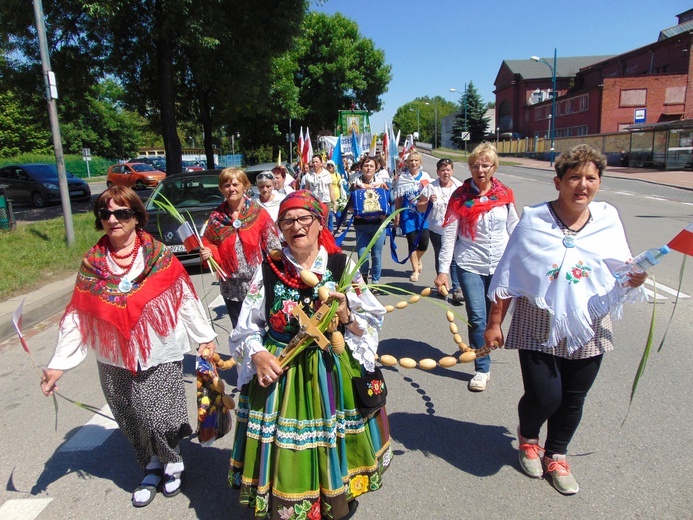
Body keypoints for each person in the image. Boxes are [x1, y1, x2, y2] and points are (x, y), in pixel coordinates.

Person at [484, 144, 647, 495]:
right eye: (574, 177)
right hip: (538, 323)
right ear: (558, 182)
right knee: (545, 396)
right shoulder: (534, 220)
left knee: (574, 397)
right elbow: (510, 273)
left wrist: (636, 278)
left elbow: (621, 268)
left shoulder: (607, 219)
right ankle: (529, 437)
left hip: (591, 323)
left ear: (599, 182)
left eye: (591, 178)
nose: (583, 185)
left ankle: (556, 454)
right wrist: (496, 322)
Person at [40, 186, 218, 508]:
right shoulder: (92, 263)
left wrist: (203, 337)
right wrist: (58, 365)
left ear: (136, 217)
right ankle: (151, 465)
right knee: (128, 414)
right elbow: (79, 316)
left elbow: (185, 298)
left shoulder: (159, 256)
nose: (113, 219)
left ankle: (172, 459)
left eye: (121, 213)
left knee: (159, 415)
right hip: (114, 356)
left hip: (158, 349)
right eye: (105, 213)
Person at [228, 190, 391, 519]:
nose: (296, 226)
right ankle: (290, 503)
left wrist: (346, 316)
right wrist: (257, 355)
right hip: (281, 373)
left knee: (332, 441)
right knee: (288, 448)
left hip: (331, 369)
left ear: (320, 224)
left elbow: (372, 319)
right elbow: (246, 326)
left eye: (304, 218)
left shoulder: (341, 266)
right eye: (287, 220)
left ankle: (336, 499)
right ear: (280, 228)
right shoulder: (269, 270)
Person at [435, 143, 519, 392]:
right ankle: (482, 368)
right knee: (477, 317)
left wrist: (526, 260)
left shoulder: (504, 194)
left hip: (501, 265)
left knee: (496, 319)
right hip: (470, 263)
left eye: (485, 165)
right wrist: (442, 270)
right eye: (475, 165)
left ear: (494, 167)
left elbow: (515, 229)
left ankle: (482, 347)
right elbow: (449, 235)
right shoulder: (460, 197)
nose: (480, 170)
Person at [200, 168, 281, 328]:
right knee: (239, 330)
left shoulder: (258, 212)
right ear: (221, 189)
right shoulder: (216, 218)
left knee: (263, 327)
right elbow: (209, 242)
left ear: (245, 186)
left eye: (235, 184)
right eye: (227, 185)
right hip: (231, 286)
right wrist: (208, 252)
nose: (231, 189)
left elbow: (273, 244)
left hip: (257, 282)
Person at [418, 157, 463, 302]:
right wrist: (428, 202)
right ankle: (441, 285)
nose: (446, 173)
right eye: (443, 170)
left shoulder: (459, 186)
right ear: (438, 172)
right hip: (436, 228)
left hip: (455, 228)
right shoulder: (431, 187)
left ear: (452, 171)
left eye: (448, 169)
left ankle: (457, 289)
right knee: (440, 256)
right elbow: (419, 206)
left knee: (454, 257)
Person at [351, 156, 390, 295]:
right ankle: (364, 278)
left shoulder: (382, 185)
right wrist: (354, 210)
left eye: (371, 166)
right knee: (363, 256)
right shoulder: (354, 185)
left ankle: (376, 283)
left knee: (377, 255)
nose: (368, 168)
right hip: (361, 225)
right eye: (366, 166)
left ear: (376, 168)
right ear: (361, 168)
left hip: (378, 225)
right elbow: (349, 206)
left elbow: (388, 203)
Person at [392, 151, 432, 282]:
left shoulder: (425, 177)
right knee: (412, 242)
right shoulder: (402, 178)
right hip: (407, 215)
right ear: (407, 163)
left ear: (420, 162)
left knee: (424, 244)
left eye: (416, 160)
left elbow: (431, 193)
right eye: (411, 161)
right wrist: (397, 215)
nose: (413, 163)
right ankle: (415, 270)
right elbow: (398, 198)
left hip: (422, 214)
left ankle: (417, 258)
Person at [301, 155, 336, 232]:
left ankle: (324, 240)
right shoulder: (308, 175)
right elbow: (307, 190)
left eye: (316, 162)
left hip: (325, 201)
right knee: (315, 222)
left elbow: (330, 189)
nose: (314, 164)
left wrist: (335, 202)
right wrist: (305, 202)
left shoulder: (327, 174)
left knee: (324, 223)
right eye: (313, 162)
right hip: (314, 202)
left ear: (321, 163)